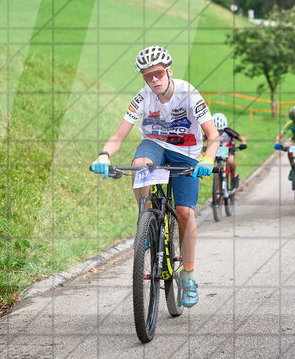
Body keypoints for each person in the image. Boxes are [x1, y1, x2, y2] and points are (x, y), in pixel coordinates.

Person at [91, 45, 220, 308]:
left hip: (187, 152)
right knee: (140, 164)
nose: (154, 80)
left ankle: (189, 276)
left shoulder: (189, 93)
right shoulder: (142, 97)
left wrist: (208, 158)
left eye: (158, 73)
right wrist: (104, 155)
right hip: (156, 147)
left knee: (185, 213)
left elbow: (213, 135)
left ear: (169, 71)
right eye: (148, 76)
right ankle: (147, 218)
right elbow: (119, 135)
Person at [212, 112, 247, 188]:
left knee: (230, 161)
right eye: (217, 130)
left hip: (229, 150)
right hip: (218, 151)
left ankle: (234, 174)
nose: (219, 132)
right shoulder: (211, 132)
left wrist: (243, 143)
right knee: (216, 169)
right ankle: (216, 192)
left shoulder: (228, 131)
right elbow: (203, 139)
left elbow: (241, 138)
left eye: (221, 130)